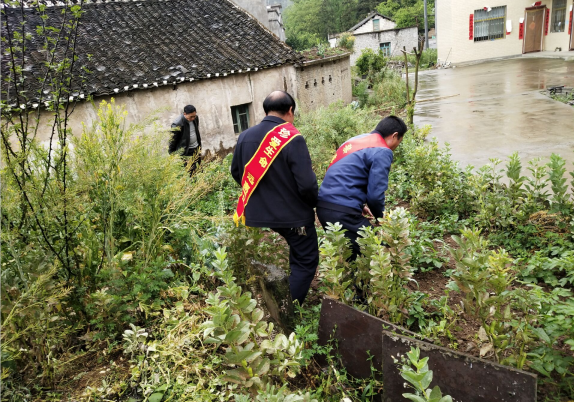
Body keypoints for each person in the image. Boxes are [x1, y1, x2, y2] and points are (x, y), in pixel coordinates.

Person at [231, 91, 318, 305]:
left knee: (296, 249)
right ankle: (291, 307)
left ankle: (283, 292)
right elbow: (307, 185)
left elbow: (236, 172)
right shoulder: (293, 137)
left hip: (257, 214)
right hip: (292, 216)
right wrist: (314, 205)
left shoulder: (244, 136)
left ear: (265, 110)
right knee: (306, 258)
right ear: (290, 111)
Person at [316, 115, 407, 261]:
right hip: (343, 213)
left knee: (350, 254)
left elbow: (345, 175)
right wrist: (381, 219)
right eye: (399, 142)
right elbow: (375, 196)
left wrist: (358, 204)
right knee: (376, 250)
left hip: (324, 208)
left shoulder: (355, 140)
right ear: (394, 135)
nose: (397, 146)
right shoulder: (383, 150)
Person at [170, 105, 202, 174]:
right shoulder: (177, 124)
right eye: (191, 117)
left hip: (196, 147)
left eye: (194, 116)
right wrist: (171, 152)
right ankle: (194, 184)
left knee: (199, 168)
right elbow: (173, 139)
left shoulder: (196, 118)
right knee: (190, 171)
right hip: (187, 151)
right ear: (184, 114)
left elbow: (196, 131)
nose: (193, 118)